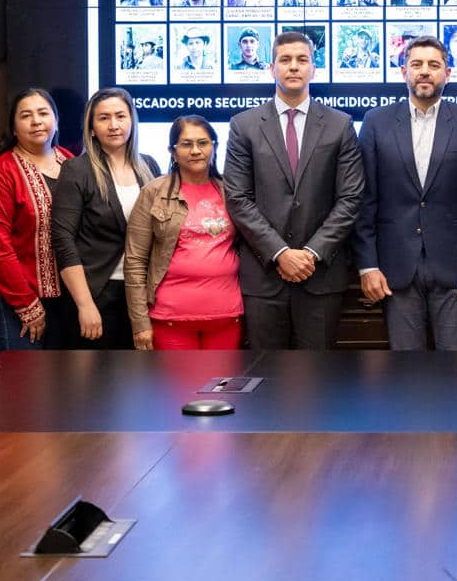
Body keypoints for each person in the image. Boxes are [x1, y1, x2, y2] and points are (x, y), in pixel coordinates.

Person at [223, 31, 365, 348]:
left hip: (321, 276)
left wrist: (311, 254)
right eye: (285, 60)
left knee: (317, 379)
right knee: (265, 376)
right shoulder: (243, 125)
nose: (293, 67)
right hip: (264, 276)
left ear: (314, 68)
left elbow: (351, 199)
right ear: (271, 68)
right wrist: (280, 253)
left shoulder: (340, 124)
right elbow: (238, 198)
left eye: (302, 60)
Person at [356, 36, 457, 349]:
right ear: (404, 72)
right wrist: (368, 265)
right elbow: (365, 201)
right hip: (395, 271)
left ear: (448, 73)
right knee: (405, 375)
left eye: (434, 65)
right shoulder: (377, 123)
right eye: (416, 64)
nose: (425, 71)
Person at [124, 116, 244, 349]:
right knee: (179, 387)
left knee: (221, 386)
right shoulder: (153, 192)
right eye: (186, 144)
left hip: (227, 316)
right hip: (170, 318)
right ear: (172, 151)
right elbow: (135, 261)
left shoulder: (232, 191)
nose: (196, 151)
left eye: (203, 143)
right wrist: (140, 323)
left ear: (214, 146)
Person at [52, 89, 159, 351]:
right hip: (97, 293)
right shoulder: (77, 170)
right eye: (103, 118)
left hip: (142, 294)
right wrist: (85, 304)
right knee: (96, 384)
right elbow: (62, 239)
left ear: (131, 121)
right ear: (91, 129)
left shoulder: (150, 166)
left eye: (121, 116)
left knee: (141, 381)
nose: (114, 125)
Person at [0, 88, 75, 351]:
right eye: (26, 115)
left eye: (43, 113)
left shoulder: (73, 163)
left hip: (68, 300)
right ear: (14, 127)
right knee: (24, 386)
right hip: (14, 302)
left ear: (56, 121)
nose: (36, 121)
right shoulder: (0, 173)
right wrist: (26, 304)